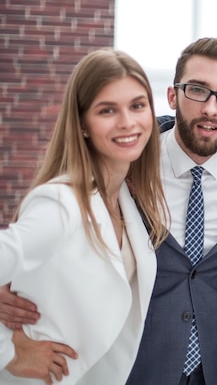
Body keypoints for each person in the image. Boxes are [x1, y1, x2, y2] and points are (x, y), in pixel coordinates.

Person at [0, 48, 169, 384]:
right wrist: (8, 353)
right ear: (83, 124)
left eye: (137, 105)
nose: (128, 122)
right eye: (108, 110)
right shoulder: (62, 203)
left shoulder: (126, 198)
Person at [125, 38, 217, 385]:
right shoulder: (126, 163)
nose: (211, 109)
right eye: (198, 90)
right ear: (173, 96)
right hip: (136, 365)